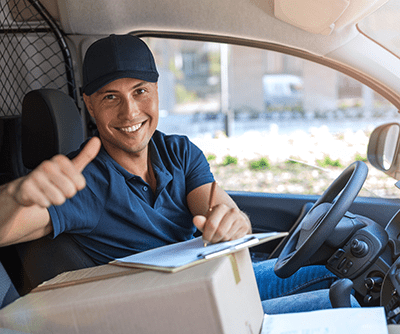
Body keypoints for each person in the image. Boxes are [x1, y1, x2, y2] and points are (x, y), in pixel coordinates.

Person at [0, 34, 354, 311]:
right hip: (169, 314)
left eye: (140, 91)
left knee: (340, 269)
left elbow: (224, 214)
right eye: (111, 97)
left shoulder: (179, 151)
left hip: (211, 282)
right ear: (89, 104)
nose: (129, 112)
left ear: (156, 91)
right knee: (345, 305)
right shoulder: (82, 181)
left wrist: (234, 224)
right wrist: (16, 195)